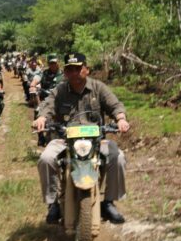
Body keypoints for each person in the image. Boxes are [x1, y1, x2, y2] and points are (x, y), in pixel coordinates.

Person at [33, 53, 130, 224]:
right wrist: (41, 118)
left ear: (87, 69)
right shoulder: (60, 90)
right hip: (65, 140)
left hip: (96, 141)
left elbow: (115, 105)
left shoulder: (98, 88)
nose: (74, 73)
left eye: (77, 69)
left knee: (118, 157)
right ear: (65, 72)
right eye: (69, 69)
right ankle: (53, 203)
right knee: (46, 159)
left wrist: (120, 119)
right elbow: (47, 106)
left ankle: (109, 202)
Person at [35, 54, 63, 146]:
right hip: (45, 100)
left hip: (59, 101)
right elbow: (37, 79)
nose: (53, 65)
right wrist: (35, 85)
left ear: (58, 63)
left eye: (54, 63)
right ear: (48, 64)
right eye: (51, 63)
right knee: (37, 112)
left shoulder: (63, 74)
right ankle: (40, 137)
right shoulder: (44, 73)